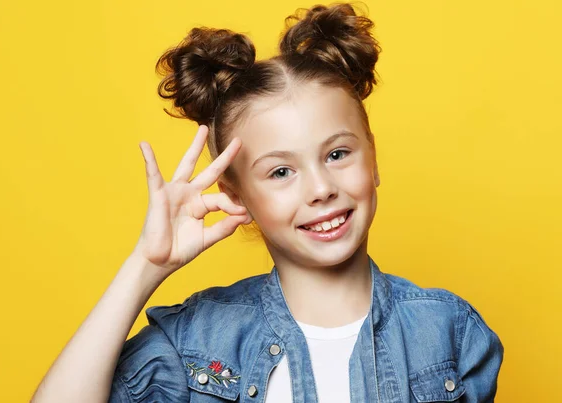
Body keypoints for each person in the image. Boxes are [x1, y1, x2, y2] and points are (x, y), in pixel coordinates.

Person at [31, 2, 504, 402]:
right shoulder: (194, 342)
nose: (320, 188)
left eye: (338, 154)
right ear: (237, 196)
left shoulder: (450, 332)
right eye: (281, 171)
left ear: (373, 158)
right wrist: (145, 265)